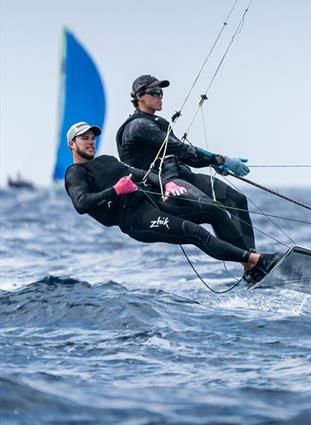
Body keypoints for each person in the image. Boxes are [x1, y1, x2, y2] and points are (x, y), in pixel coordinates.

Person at [64, 121, 277, 285]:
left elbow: (139, 173)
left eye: (92, 137)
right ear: (72, 144)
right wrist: (115, 191)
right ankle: (257, 261)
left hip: (152, 204)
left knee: (213, 211)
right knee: (194, 232)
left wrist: (166, 184)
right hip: (135, 220)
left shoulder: (107, 160)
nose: (91, 141)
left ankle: (250, 267)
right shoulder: (75, 173)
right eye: (84, 138)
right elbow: (81, 203)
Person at [116, 75, 256, 250]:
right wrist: (222, 159)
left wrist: (214, 163)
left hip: (182, 175)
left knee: (237, 200)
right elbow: (181, 149)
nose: (161, 96)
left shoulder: (158, 122)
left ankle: (253, 259)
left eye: (161, 93)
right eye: (155, 93)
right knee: (214, 209)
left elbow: (185, 156)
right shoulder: (138, 126)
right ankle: (251, 263)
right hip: (161, 186)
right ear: (139, 97)